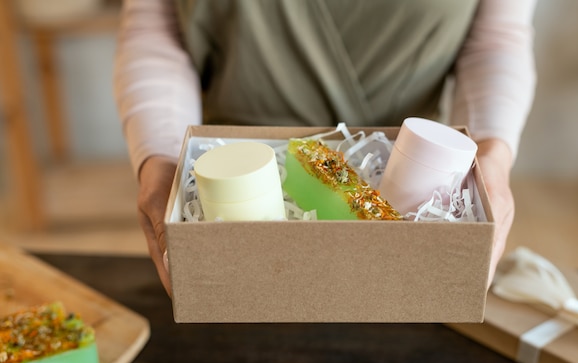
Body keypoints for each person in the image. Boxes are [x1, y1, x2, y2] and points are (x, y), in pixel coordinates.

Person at [114, 0, 537, 296]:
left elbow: (494, 41)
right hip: (230, 162)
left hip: (392, 170)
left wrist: (492, 156)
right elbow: (157, 31)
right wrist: (161, 157)